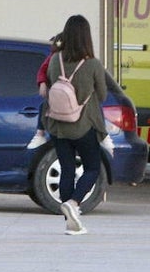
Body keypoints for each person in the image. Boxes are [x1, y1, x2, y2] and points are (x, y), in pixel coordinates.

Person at [43, 14, 107, 236]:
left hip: (58, 125)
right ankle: (74, 203)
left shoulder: (55, 60)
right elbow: (103, 94)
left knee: (67, 169)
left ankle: (71, 220)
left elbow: (49, 88)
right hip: (83, 125)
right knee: (92, 167)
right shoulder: (92, 65)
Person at [26, 33, 62, 150]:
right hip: (55, 94)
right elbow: (42, 70)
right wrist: (42, 83)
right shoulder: (52, 58)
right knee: (44, 106)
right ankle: (40, 133)